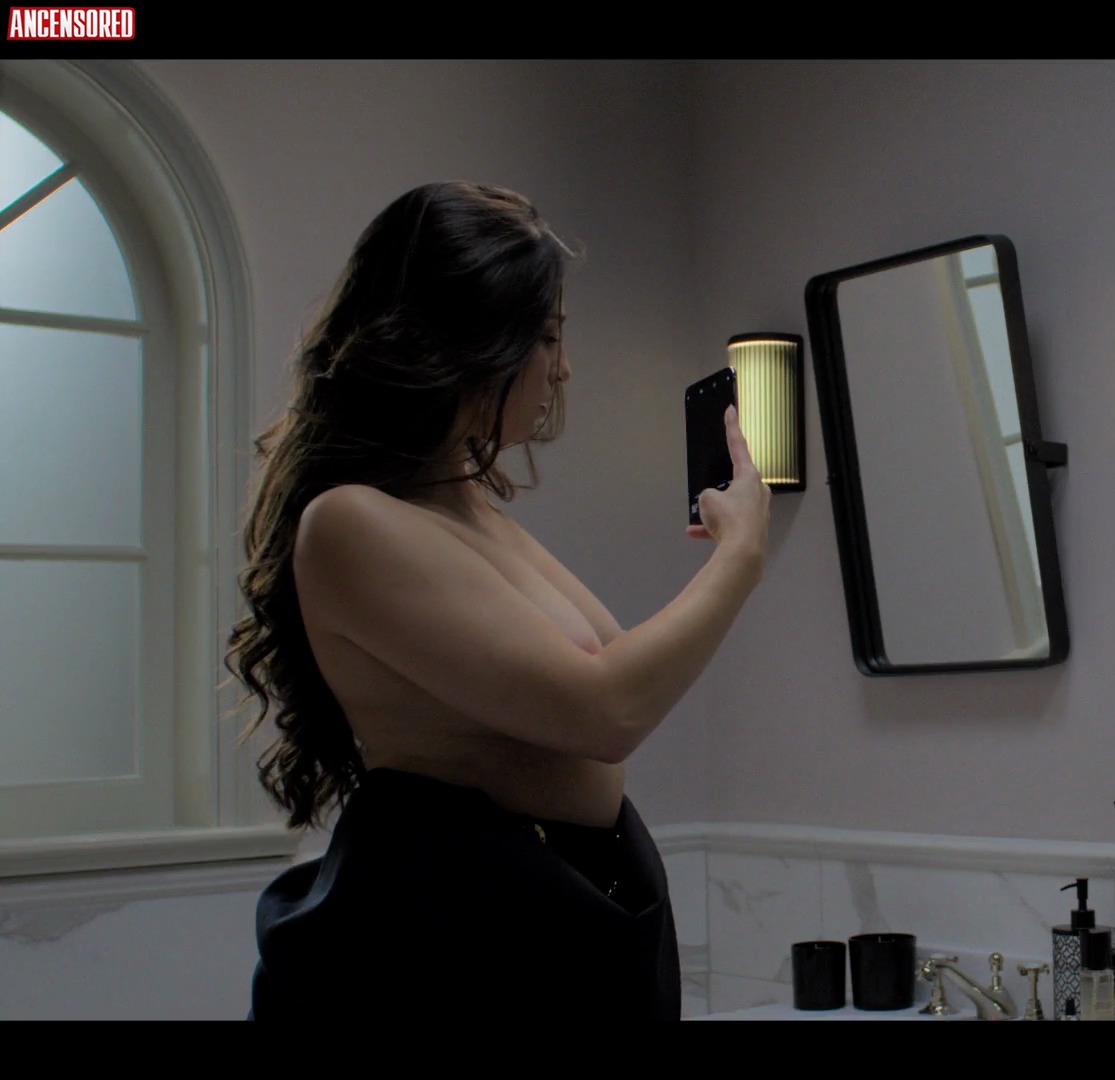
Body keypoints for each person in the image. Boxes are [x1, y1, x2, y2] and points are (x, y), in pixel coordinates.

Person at [226, 181, 770, 1020]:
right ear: (467, 337)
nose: (563, 367)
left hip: (557, 921)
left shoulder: (468, 508)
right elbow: (608, 711)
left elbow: (610, 680)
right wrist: (740, 554)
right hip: (449, 941)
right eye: (545, 336)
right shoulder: (351, 522)